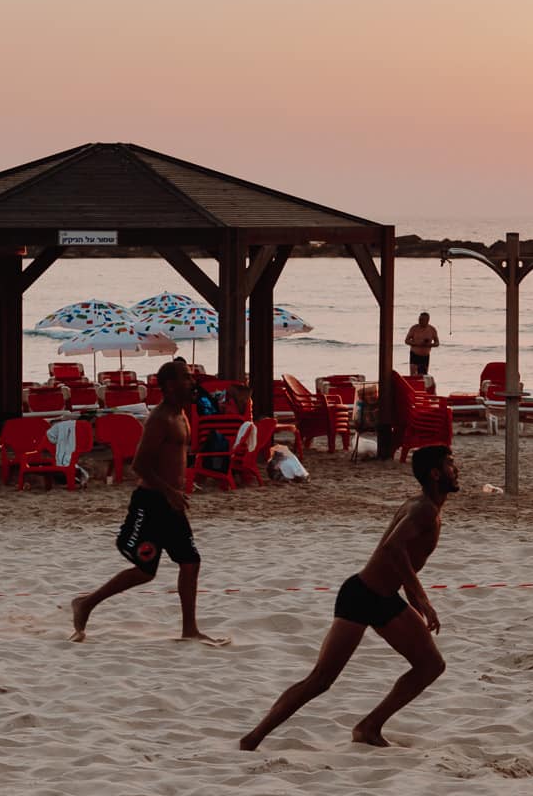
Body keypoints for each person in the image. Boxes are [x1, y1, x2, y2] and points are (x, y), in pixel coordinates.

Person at [239, 444, 456, 750]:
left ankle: (369, 726)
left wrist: (414, 599)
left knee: (431, 665)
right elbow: (392, 549)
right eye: (449, 464)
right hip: (362, 595)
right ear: (435, 474)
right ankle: (252, 739)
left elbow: (405, 559)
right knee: (320, 680)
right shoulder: (422, 510)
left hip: (386, 598)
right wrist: (423, 598)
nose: (455, 469)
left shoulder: (428, 508)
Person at [69, 359, 228, 646]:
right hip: (152, 502)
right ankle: (86, 603)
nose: (192, 383)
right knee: (145, 572)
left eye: (192, 377)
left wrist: (178, 489)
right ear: (169, 385)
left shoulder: (182, 415)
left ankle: (189, 629)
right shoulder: (160, 418)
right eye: (186, 378)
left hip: (171, 501)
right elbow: (139, 465)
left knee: (190, 562)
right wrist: (169, 491)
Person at [405, 312, 440, 378]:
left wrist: (429, 344)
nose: (420, 321)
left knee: (423, 376)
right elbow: (406, 341)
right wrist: (416, 344)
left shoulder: (432, 330)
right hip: (414, 354)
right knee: (413, 375)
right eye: (419, 319)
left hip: (425, 356)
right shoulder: (414, 328)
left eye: (422, 320)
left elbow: (437, 343)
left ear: (427, 320)